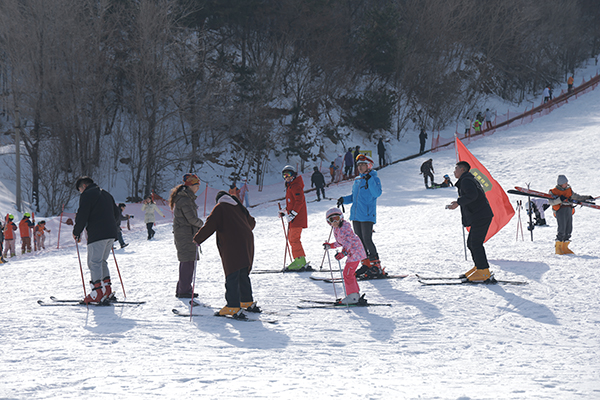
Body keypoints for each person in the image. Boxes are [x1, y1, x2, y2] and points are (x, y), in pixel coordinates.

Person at [193, 191, 258, 317]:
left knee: (232, 272)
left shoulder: (220, 207)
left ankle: (233, 306)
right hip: (247, 241)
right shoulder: (238, 206)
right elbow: (252, 223)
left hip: (232, 243)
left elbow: (210, 224)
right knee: (242, 272)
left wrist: (197, 239)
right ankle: (246, 301)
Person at [72, 176, 121, 304]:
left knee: (94, 262)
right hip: (111, 233)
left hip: (97, 234)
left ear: (83, 186)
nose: (81, 193)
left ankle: (97, 293)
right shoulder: (106, 194)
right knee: (102, 261)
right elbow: (117, 214)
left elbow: (83, 214)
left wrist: (76, 232)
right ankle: (107, 290)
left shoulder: (87, 195)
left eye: (80, 190)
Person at [337, 154, 385, 279]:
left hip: (367, 215)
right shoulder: (358, 180)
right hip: (356, 215)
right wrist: (344, 199)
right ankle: (366, 264)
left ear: (368, 166)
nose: (360, 167)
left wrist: (369, 179)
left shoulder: (374, 179)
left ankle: (376, 266)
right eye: (358, 165)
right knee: (360, 241)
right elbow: (354, 197)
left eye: (363, 165)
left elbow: (377, 193)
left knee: (367, 240)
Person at [447, 161, 494, 282]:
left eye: (456, 168)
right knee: (472, 243)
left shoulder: (466, 180)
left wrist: (458, 202)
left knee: (475, 243)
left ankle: (484, 272)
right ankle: (479, 268)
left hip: (481, 216)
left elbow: (472, 195)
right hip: (480, 215)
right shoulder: (468, 179)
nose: (454, 171)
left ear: (462, 169)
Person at [169, 173, 204, 298]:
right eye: (196, 185)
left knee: (188, 262)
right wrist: (203, 224)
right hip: (185, 235)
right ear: (191, 185)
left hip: (187, 234)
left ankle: (184, 289)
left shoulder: (186, 198)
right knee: (187, 262)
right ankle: (184, 291)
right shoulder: (184, 200)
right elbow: (191, 218)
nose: (198, 188)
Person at [323, 208, 368, 305]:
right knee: (349, 273)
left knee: (347, 274)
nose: (335, 222)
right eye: (332, 220)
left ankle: (353, 297)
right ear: (328, 222)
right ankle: (355, 295)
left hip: (355, 252)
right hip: (353, 252)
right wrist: (330, 245)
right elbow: (340, 242)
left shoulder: (345, 227)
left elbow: (348, 242)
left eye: (337, 218)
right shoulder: (337, 229)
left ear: (341, 218)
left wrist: (343, 253)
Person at [548, 175, 594, 254]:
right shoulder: (553, 191)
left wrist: (586, 197)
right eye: (565, 183)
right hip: (560, 210)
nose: (567, 183)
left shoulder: (568, 189)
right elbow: (551, 202)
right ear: (560, 183)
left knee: (569, 228)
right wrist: (559, 199)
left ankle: (565, 247)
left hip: (569, 209)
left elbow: (576, 197)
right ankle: (558, 248)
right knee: (562, 228)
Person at [279, 165, 309, 271]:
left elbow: (299, 201)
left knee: (294, 239)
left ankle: (299, 261)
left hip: (297, 218)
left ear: (294, 175)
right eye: (284, 175)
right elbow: (292, 203)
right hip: (294, 218)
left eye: (289, 174)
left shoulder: (295, 185)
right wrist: (285, 212)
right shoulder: (291, 185)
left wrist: (293, 214)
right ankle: (300, 260)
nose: (287, 177)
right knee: (293, 239)